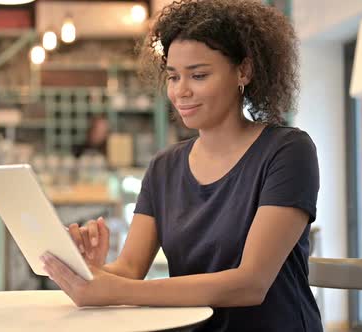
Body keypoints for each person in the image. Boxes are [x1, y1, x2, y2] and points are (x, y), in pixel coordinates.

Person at [40, 0, 323, 331]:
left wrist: (117, 289)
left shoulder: (287, 151)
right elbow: (130, 269)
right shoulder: (165, 167)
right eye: (173, 77)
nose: (181, 91)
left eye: (199, 75)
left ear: (243, 71)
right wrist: (87, 270)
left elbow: (251, 283)